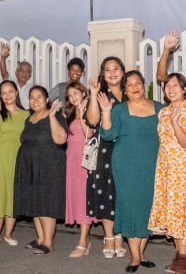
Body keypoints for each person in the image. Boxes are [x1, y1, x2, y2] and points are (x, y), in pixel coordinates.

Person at [101, 69, 163, 272]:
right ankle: (135, 257)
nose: (134, 87)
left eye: (138, 83)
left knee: (146, 208)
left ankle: (141, 253)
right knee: (131, 208)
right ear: (125, 90)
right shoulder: (120, 110)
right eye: (129, 85)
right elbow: (108, 135)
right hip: (126, 166)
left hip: (152, 166)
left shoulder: (159, 108)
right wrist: (106, 112)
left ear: (143, 85)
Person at [150, 72, 186, 274]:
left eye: (175, 86)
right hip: (165, 168)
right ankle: (179, 256)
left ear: (184, 89)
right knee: (171, 213)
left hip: (181, 170)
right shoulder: (163, 112)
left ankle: (183, 259)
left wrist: (176, 122)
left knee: (180, 213)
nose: (170, 89)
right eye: (167, 86)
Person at [14, 85, 69, 254]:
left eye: (39, 97)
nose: (35, 100)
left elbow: (61, 139)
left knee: (46, 203)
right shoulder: (29, 119)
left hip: (49, 165)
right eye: (32, 97)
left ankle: (48, 242)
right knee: (34, 202)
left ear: (47, 100)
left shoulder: (56, 116)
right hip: (29, 166)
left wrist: (51, 116)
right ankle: (40, 239)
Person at [87, 55, 128, 258]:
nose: (112, 73)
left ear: (123, 72)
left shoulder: (130, 94)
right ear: (103, 74)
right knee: (106, 192)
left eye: (116, 68)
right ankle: (109, 237)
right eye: (108, 69)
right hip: (105, 149)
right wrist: (94, 93)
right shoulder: (100, 94)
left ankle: (120, 235)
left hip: (127, 149)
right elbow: (93, 121)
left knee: (123, 193)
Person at [0, 78, 27, 247]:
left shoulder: (26, 115)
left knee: (12, 197)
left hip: (18, 160)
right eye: (4, 93)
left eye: (10, 92)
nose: (7, 95)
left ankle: (8, 234)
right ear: (0, 96)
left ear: (16, 93)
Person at [62, 80, 97, 257]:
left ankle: (82, 243)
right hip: (71, 159)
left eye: (76, 93)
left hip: (85, 160)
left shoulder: (91, 110)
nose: (73, 97)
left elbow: (88, 135)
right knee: (76, 197)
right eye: (70, 95)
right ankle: (87, 239)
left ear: (83, 93)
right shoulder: (67, 114)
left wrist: (83, 113)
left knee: (84, 199)